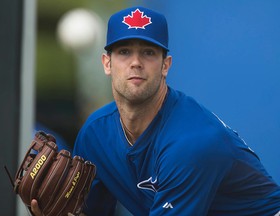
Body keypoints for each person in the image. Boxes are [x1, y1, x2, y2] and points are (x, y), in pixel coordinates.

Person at [31, 6, 280, 216]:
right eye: (124, 51)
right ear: (107, 63)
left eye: (148, 52)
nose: (136, 62)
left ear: (165, 66)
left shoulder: (194, 142)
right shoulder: (96, 134)